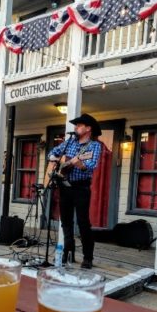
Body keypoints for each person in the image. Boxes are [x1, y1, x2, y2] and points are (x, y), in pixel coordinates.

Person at [48, 113, 102, 269]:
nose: (76, 128)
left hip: (81, 187)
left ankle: (88, 257)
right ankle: (68, 252)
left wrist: (79, 163)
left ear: (88, 128)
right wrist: (57, 160)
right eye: (76, 125)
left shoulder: (94, 146)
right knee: (66, 222)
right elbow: (52, 153)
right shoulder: (69, 142)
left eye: (79, 125)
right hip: (64, 186)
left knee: (83, 222)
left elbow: (91, 165)